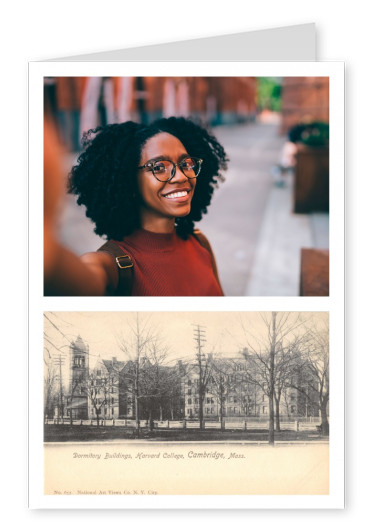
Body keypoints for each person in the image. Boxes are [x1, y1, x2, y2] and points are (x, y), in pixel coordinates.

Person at [45, 116, 228, 296]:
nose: (181, 176)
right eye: (159, 167)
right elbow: (70, 279)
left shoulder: (200, 243)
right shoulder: (111, 266)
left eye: (186, 163)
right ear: (129, 181)